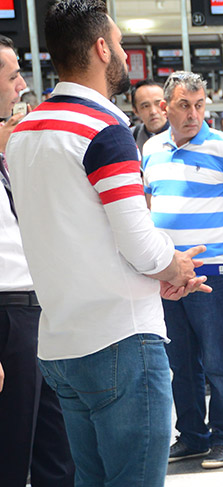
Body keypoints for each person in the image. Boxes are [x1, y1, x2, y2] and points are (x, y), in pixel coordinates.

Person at [7, 2, 210, 484]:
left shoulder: (24, 132)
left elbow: (67, 235)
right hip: (121, 341)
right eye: (118, 44)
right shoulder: (104, 129)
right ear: (101, 48)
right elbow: (138, 241)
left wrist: (153, 273)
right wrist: (174, 266)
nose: (121, 52)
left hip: (58, 343)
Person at [142, 71, 223, 469]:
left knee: (217, 359)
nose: (193, 114)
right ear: (166, 107)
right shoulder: (152, 149)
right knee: (178, 360)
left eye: (199, 105)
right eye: (184, 105)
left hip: (210, 271)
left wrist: (222, 234)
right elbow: (147, 203)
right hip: (167, 272)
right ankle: (193, 436)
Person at [0, 32, 75, 487]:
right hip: (7, 316)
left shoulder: (8, 156)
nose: (21, 86)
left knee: (55, 449)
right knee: (11, 452)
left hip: (36, 315)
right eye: (12, 77)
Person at [130, 78, 169, 152]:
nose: (153, 111)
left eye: (158, 103)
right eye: (145, 106)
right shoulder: (130, 138)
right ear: (135, 111)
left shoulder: (184, 135)